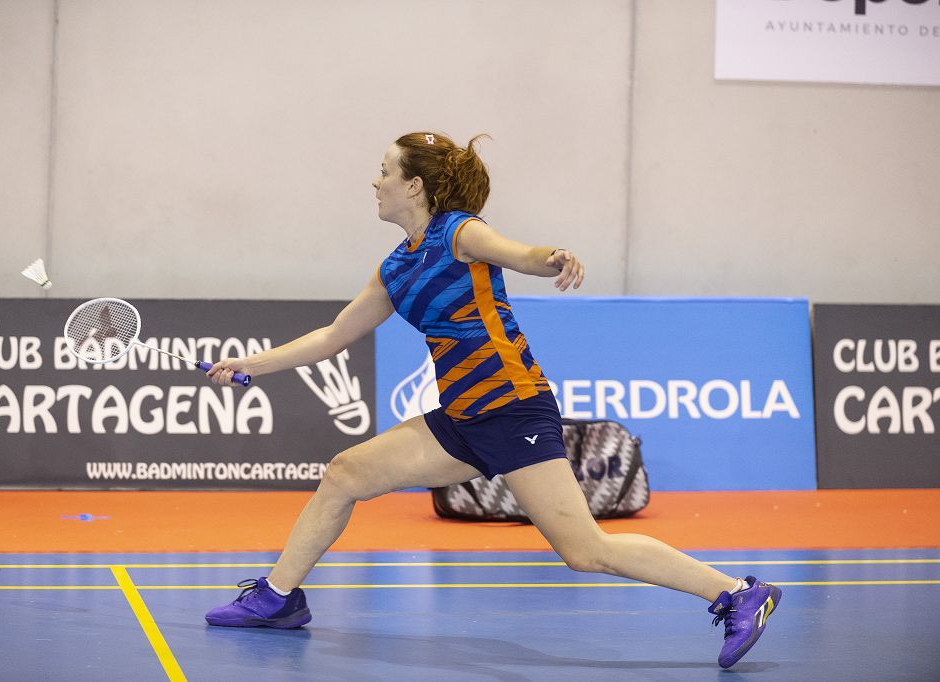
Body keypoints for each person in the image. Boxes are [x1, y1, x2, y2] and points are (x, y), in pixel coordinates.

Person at [202, 131, 781, 669]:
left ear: (414, 186)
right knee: (345, 472)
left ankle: (737, 593)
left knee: (584, 550)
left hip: (510, 406)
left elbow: (519, 253)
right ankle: (277, 599)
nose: (374, 182)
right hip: (460, 416)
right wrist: (247, 365)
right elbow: (333, 335)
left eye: (384, 172)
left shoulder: (457, 231)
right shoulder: (395, 268)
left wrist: (553, 257)